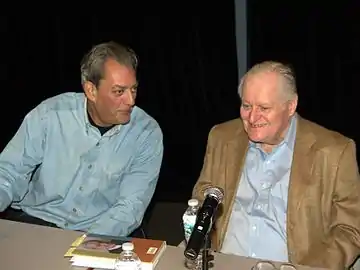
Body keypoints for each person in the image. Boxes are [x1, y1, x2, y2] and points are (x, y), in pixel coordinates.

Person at [192, 61, 360, 269]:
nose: (252, 118)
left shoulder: (334, 152)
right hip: (224, 262)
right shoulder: (222, 138)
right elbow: (200, 198)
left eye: (264, 108)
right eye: (246, 106)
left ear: (291, 106)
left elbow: (350, 229)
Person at [0, 41, 163, 238]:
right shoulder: (50, 114)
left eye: (134, 89)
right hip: (36, 221)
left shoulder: (146, 133)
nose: (131, 100)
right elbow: (8, 173)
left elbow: (129, 208)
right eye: (119, 91)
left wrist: (87, 246)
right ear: (91, 90)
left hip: (99, 231)